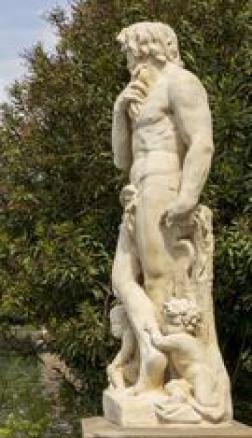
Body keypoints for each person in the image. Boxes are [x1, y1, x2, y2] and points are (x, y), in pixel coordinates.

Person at [110, 21, 215, 395]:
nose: (125, 60)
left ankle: (160, 373)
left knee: (161, 279)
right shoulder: (139, 94)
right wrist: (119, 110)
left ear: (145, 48)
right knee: (123, 277)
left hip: (163, 186)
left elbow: (201, 141)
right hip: (137, 191)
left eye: (126, 52)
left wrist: (187, 195)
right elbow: (122, 158)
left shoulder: (180, 82)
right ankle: (152, 354)